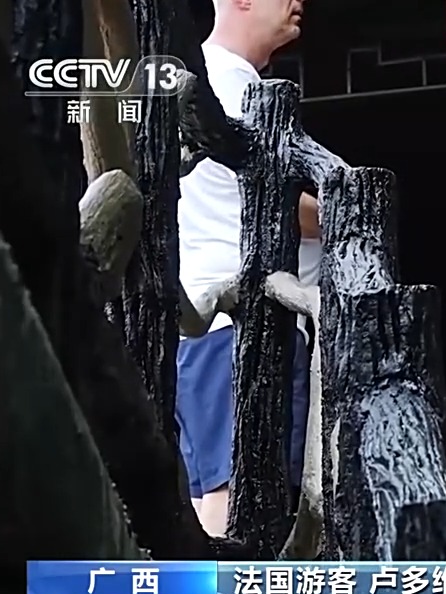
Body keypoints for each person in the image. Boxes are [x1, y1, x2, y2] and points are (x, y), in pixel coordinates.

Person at [176, 0, 318, 535]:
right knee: (236, 500)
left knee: (210, 498)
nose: (298, 2)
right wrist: (344, 205)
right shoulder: (233, 84)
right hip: (237, 327)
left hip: (202, 324)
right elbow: (278, 197)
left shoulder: (195, 78)